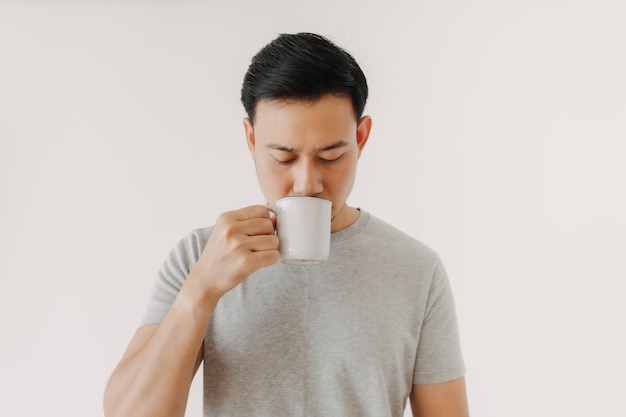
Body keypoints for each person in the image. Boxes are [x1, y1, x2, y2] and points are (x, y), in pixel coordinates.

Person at [104, 32, 469, 417]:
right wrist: (202, 289)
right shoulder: (200, 256)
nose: (307, 183)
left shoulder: (417, 271)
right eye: (283, 157)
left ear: (360, 138)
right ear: (251, 140)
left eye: (331, 156)